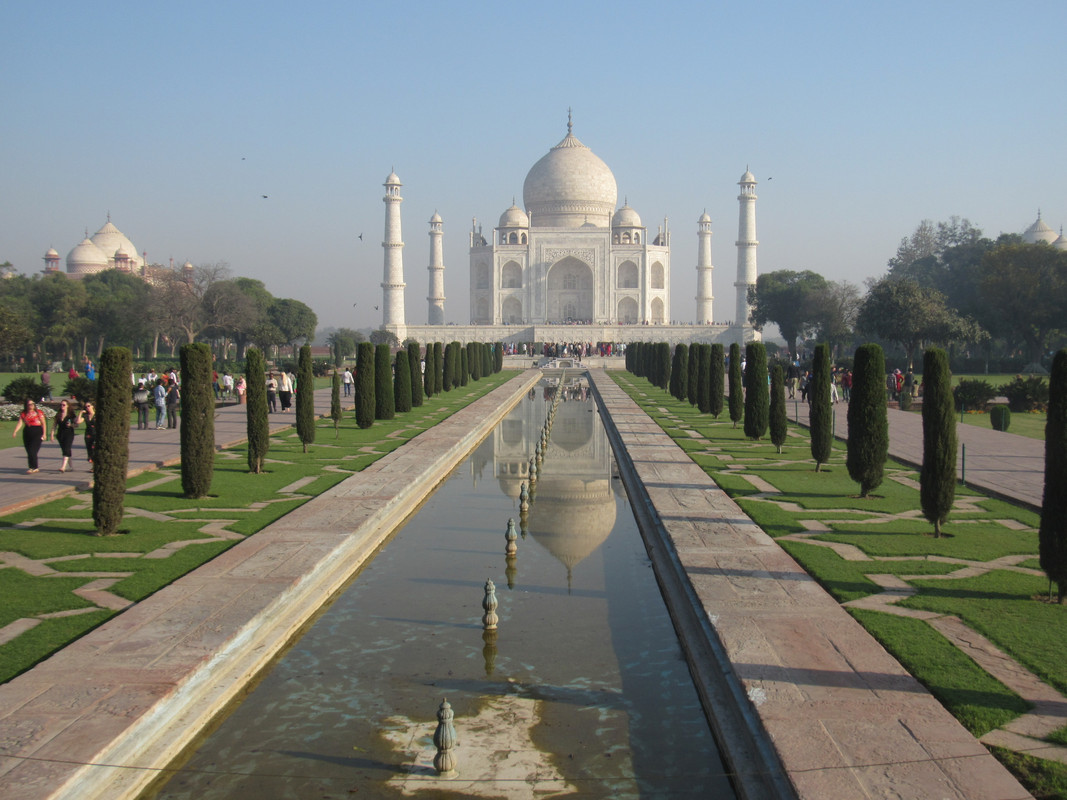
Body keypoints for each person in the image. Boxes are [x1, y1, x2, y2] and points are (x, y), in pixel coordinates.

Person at [12, 398, 47, 473]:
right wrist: (15, 431)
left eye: (32, 404)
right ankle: (34, 467)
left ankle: (33, 467)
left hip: (37, 431)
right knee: (29, 450)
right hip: (27, 432)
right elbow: (20, 423)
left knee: (32, 450)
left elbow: (43, 423)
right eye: (29, 404)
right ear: (26, 405)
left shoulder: (39, 413)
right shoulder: (24, 413)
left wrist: (44, 434)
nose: (31, 406)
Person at [50, 399, 78, 472]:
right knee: (66, 450)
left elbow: (76, 425)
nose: (62, 406)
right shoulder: (58, 414)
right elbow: (54, 425)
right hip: (60, 434)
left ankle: (63, 467)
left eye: (64, 405)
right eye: (61, 405)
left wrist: (71, 425)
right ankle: (71, 467)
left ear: (67, 406)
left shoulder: (71, 415)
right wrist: (52, 434)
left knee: (66, 449)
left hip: (69, 433)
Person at [77, 401, 96, 469]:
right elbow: (78, 421)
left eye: (89, 406)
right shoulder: (86, 416)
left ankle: (95, 466)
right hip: (88, 434)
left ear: (92, 406)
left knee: (94, 449)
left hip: (96, 434)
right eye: (86, 407)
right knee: (89, 449)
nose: (87, 408)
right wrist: (80, 413)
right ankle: (93, 466)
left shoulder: (97, 415)